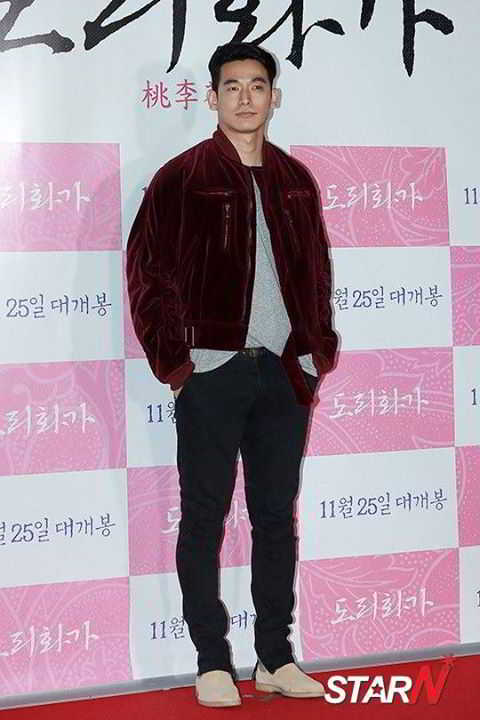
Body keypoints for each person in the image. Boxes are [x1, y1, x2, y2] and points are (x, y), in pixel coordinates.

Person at [126, 41, 338, 708]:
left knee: (276, 518)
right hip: (214, 373)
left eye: (257, 85)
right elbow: (147, 273)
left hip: (283, 374)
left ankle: (275, 656)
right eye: (232, 86)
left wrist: (315, 352)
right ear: (212, 97)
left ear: (275, 97)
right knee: (204, 518)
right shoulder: (181, 177)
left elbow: (317, 271)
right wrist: (178, 361)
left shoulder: (295, 179)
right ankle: (212, 661)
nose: (246, 97)